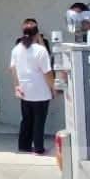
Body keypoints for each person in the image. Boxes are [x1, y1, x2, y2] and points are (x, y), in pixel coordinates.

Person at [9, 19, 55, 154]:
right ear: (37, 34)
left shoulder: (17, 49)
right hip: (41, 91)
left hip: (25, 91)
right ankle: (39, 148)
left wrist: (17, 86)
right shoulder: (40, 50)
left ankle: (24, 146)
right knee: (39, 121)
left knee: (26, 120)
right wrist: (53, 88)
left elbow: (12, 68)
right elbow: (47, 72)